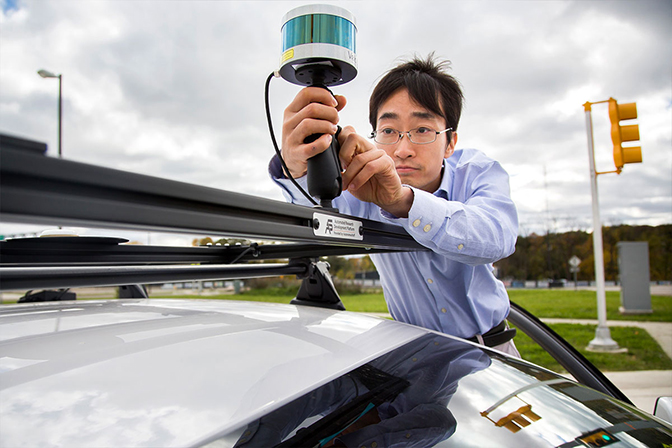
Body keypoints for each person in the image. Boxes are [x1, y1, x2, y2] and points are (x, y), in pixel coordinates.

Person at [269, 54, 519, 356]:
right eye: (388, 131)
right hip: (416, 358)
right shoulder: (364, 185)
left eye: (422, 130)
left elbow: (496, 237)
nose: (402, 150)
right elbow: (313, 216)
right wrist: (295, 166)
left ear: (451, 142)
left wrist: (403, 202)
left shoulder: (477, 171)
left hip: (494, 353)